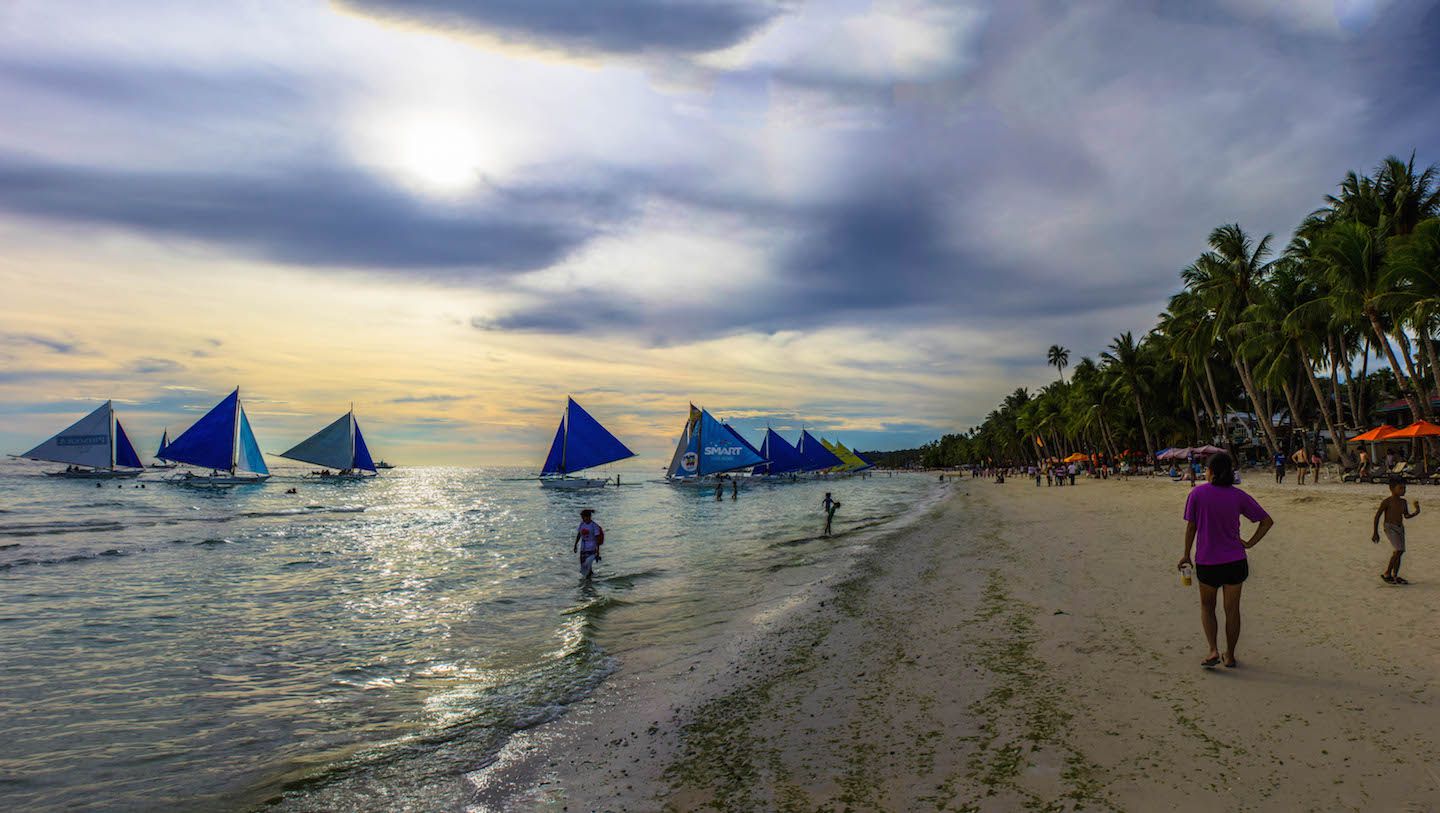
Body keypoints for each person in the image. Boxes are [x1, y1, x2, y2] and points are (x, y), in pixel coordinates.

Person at [1177, 452, 1274, 669]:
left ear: (1210, 471)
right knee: (1232, 611)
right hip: (1234, 561)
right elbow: (1266, 521)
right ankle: (1229, 655)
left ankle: (1212, 649)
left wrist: (1185, 554)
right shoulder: (1237, 495)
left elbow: (1191, 527)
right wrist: (1249, 543)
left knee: (1207, 607)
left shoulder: (1197, 494)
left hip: (1208, 561)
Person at [1372, 478, 1419, 584]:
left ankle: (1394, 576)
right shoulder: (1387, 501)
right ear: (1392, 489)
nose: (1403, 490)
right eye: (1401, 488)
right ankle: (1387, 573)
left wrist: (1416, 511)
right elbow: (1377, 516)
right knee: (1399, 550)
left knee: (1400, 552)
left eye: (1404, 488)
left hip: (1399, 528)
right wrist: (1375, 532)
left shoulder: (1403, 502)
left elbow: (1406, 516)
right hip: (1390, 527)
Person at [573, 509, 604, 579]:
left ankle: (588, 580)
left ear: (589, 517)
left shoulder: (594, 526)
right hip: (583, 547)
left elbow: (597, 539)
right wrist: (575, 545)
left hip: (591, 547)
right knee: (583, 565)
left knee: (587, 565)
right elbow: (579, 534)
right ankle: (590, 578)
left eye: (584, 517)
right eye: (582, 517)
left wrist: (597, 551)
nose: (583, 519)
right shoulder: (582, 524)